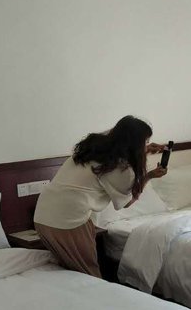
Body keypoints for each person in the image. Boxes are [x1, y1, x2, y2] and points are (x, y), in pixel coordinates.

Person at [34, 116, 167, 278]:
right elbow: (128, 202)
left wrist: (144, 148)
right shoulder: (121, 168)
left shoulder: (93, 146)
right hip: (67, 221)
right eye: (145, 141)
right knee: (89, 276)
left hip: (42, 216)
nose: (146, 144)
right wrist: (149, 176)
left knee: (68, 272)